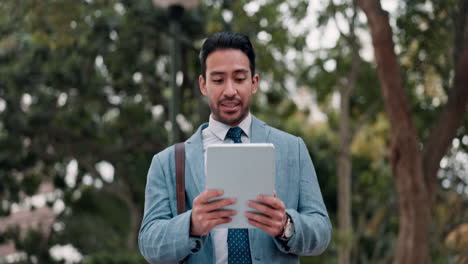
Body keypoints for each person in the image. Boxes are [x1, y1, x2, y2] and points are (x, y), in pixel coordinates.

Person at [138, 32, 331, 264]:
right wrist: (191, 225)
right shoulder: (167, 162)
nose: (230, 90)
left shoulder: (293, 149)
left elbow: (322, 231)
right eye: (218, 80)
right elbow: (148, 243)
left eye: (239, 79)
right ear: (203, 85)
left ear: (254, 83)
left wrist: (286, 225)